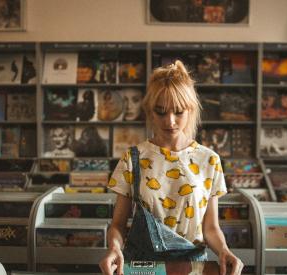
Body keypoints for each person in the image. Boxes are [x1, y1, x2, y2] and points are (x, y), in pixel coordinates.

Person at [100, 60, 243, 275]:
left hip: (192, 268)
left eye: (178, 112)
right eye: (161, 112)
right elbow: (118, 225)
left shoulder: (209, 160)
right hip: (143, 268)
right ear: (150, 111)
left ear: (191, 110)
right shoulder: (133, 158)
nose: (170, 121)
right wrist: (114, 248)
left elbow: (211, 228)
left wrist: (224, 250)